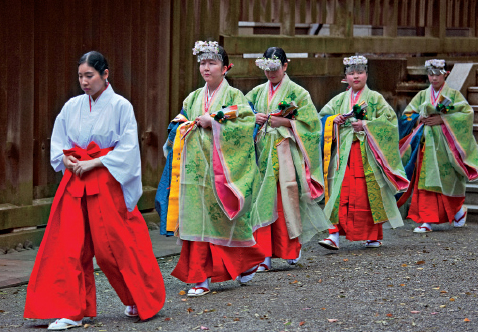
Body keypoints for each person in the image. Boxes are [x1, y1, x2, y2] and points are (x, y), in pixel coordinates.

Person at [24, 51, 165, 330]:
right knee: (68, 246)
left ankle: (138, 296)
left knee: (111, 247)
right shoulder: (72, 105)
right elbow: (59, 139)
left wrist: (95, 162)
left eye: (89, 75)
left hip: (105, 178)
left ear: (105, 74)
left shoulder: (121, 106)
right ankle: (72, 310)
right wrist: (65, 159)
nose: (84, 82)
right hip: (75, 179)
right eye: (80, 76)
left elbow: (127, 148)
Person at [160, 41, 266, 296]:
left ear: (225, 68)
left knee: (226, 222)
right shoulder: (193, 97)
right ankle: (201, 277)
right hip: (195, 171)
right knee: (197, 222)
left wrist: (214, 124)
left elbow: (245, 125)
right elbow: (179, 121)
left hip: (221, 172)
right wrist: (182, 126)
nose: (206, 68)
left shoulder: (234, 97)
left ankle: (246, 262)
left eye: (212, 63)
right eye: (203, 63)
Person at [245, 47, 331, 271]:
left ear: (285, 66)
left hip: (286, 154)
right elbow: (242, 112)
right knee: (262, 201)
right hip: (262, 152)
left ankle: (290, 249)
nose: (271, 73)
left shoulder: (299, 93)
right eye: (267, 69)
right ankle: (263, 255)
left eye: (275, 68)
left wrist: (286, 123)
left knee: (285, 201)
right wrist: (253, 117)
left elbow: (312, 127)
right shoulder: (256, 92)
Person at [318, 56, 409, 250]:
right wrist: (334, 120)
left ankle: (373, 235)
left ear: (366, 74)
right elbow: (322, 117)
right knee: (339, 192)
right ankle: (333, 234)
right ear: (346, 77)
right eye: (351, 73)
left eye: (359, 72)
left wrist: (366, 126)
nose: (355, 76)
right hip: (343, 154)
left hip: (367, 154)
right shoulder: (340, 99)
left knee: (368, 194)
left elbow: (390, 122)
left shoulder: (375, 98)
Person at [397, 59, 478, 232]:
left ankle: (457, 211)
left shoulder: (454, 95)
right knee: (427, 181)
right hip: (426, 146)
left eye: (438, 74)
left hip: (447, 147)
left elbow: (467, 114)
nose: (434, 78)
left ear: (445, 74)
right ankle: (427, 220)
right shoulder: (421, 95)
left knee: (449, 180)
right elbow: (406, 116)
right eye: (431, 75)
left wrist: (444, 119)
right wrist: (419, 119)